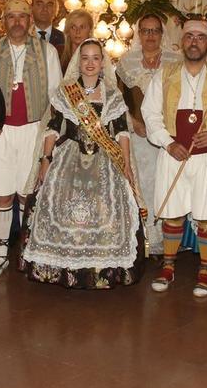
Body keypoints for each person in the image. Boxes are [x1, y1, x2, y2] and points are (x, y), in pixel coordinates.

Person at [20, 40, 144, 288]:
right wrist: (45, 160)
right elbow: (53, 128)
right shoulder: (65, 92)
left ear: (102, 62)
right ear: (78, 62)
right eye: (85, 58)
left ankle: (101, 268)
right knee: (58, 203)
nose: (90, 63)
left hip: (104, 159)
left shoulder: (113, 95)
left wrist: (126, 165)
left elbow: (121, 133)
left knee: (107, 207)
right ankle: (60, 265)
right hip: (69, 157)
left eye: (95, 58)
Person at [141, 18, 207, 298]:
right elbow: (150, 114)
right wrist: (167, 142)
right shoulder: (164, 75)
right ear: (181, 42)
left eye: (200, 37)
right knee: (172, 214)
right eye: (189, 37)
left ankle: (205, 270)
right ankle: (169, 266)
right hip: (173, 154)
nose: (194, 42)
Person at [0, 0, 62, 278]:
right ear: (3, 21)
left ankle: (27, 251)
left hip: (33, 131)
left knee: (26, 193)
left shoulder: (47, 52)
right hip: (0, 132)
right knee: (3, 194)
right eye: (11, 17)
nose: (17, 22)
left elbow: (56, 96)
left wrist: (49, 136)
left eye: (22, 17)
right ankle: (1, 252)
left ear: (30, 20)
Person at [115, 13, 181, 255]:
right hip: (139, 136)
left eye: (155, 31)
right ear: (138, 34)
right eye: (145, 30)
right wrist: (133, 123)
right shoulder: (126, 63)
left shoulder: (175, 61)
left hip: (168, 137)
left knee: (166, 184)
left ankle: (167, 239)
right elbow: (118, 100)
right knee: (142, 184)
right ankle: (144, 237)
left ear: (162, 34)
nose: (150, 35)